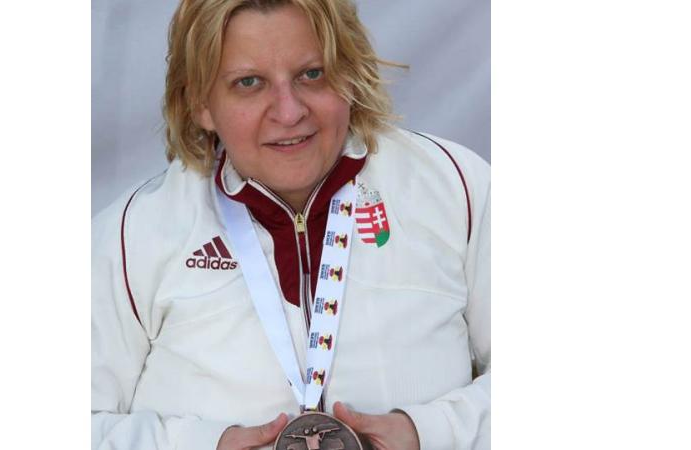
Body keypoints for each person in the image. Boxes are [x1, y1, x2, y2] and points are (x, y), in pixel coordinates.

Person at [91, 0, 490, 449]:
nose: (289, 111)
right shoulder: (133, 233)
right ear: (201, 103)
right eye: (249, 83)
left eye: (312, 74)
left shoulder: (456, 187)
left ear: (350, 71)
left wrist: (431, 433)